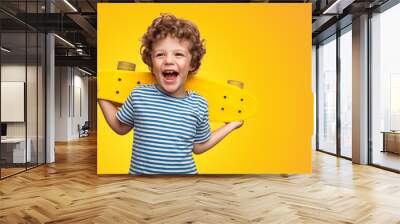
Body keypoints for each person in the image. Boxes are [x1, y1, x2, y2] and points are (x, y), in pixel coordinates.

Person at [98, 13, 243, 174]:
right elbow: (120, 127)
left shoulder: (199, 103)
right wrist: (101, 94)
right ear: (151, 63)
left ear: (192, 63)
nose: (168, 60)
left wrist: (231, 125)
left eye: (178, 54)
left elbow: (199, 146)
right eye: (160, 54)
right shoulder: (139, 95)